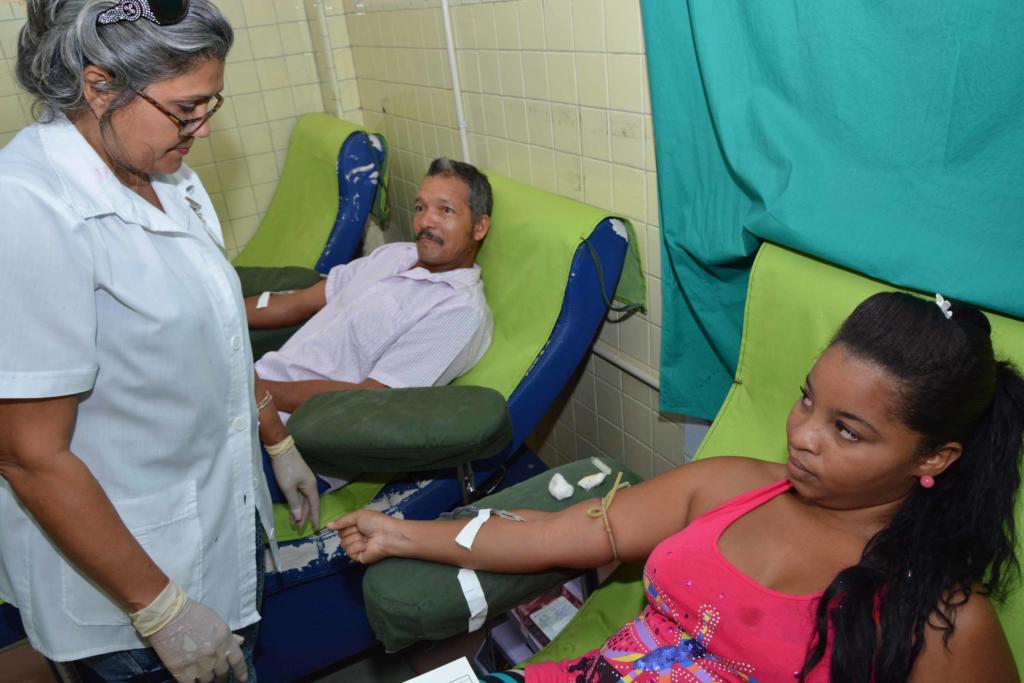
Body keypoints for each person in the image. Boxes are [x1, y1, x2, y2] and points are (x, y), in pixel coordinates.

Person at [333, 292, 1024, 682]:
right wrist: (405, 532)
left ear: (933, 456)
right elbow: (557, 532)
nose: (803, 434)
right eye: (807, 399)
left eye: (848, 430)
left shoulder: (943, 623)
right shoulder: (728, 484)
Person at [0, 1, 307, 680]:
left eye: (211, 102)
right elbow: (28, 455)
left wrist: (274, 436)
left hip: (212, 531)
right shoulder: (27, 208)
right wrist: (161, 608)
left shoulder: (170, 174)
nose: (201, 126)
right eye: (184, 107)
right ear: (99, 84)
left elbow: (219, 332)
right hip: (129, 591)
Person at [245, 158, 494, 491]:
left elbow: (367, 401)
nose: (426, 222)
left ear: (479, 227)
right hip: (254, 394)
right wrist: (212, 315)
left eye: (445, 211)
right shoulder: (394, 255)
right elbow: (297, 302)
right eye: (420, 207)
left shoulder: (458, 311)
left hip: (293, 443)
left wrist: (252, 393)